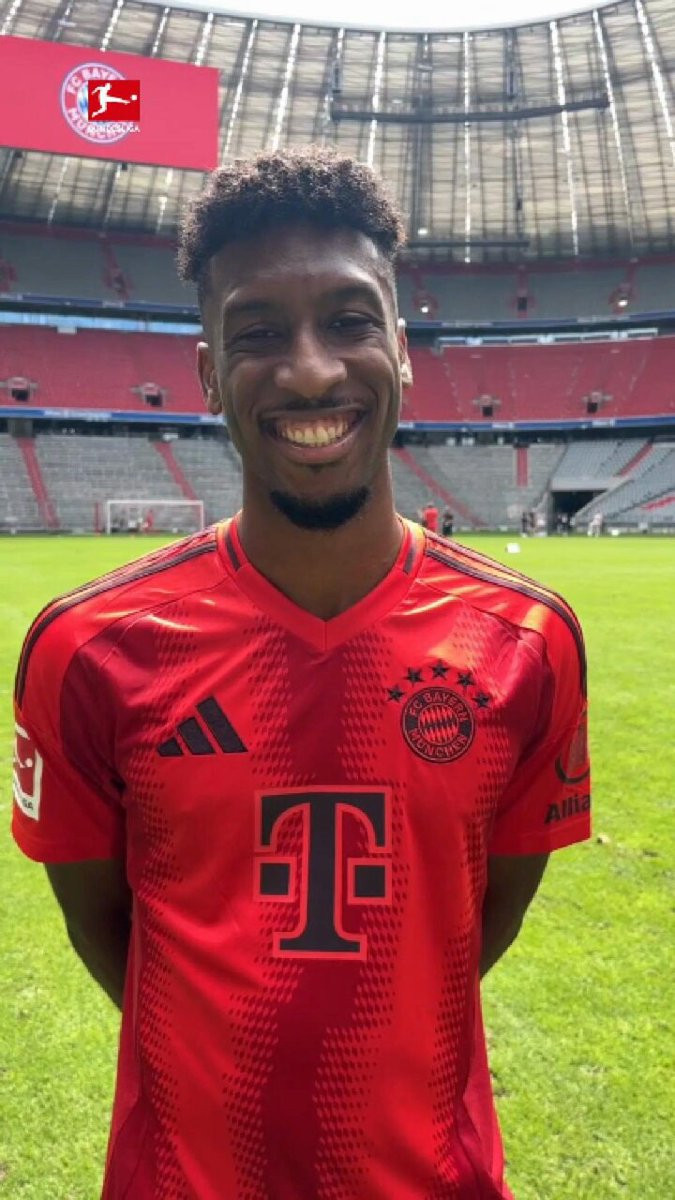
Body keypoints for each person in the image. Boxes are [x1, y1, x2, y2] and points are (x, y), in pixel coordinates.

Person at [11, 149, 591, 1200]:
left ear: (401, 351)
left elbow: (476, 922)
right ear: (206, 373)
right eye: (260, 334)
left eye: (350, 321)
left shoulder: (525, 638)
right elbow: (105, 927)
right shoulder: (89, 646)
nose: (313, 372)